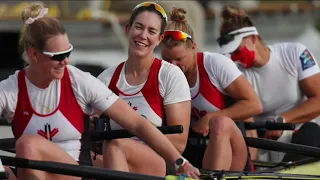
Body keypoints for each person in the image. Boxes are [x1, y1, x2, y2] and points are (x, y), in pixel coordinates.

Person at [0, 2, 200, 180]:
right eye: (57, 55)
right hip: (61, 166)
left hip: (133, 161)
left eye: (68, 53)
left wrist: (180, 162)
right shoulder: (9, 90)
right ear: (34, 55)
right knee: (17, 160)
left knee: (113, 144)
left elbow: (140, 125)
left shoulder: (81, 81)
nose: (66, 61)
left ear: (159, 39)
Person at [95, 2, 194, 177]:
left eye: (151, 31)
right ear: (128, 30)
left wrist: (134, 137)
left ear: (159, 39)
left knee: (114, 144)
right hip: (113, 159)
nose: (143, 35)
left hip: (158, 161)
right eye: (138, 27)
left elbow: (179, 143)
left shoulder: (169, 75)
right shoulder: (106, 79)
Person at [160, 7, 263, 171]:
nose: (173, 66)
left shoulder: (215, 64)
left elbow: (254, 105)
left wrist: (210, 118)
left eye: (179, 59)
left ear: (193, 47)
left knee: (220, 122)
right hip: (190, 155)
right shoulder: (161, 73)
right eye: (167, 59)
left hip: (232, 153)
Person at [217, 5, 320, 163]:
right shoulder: (236, 73)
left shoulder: (296, 53)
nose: (234, 58)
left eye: (237, 51)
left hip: (300, 130)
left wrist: (282, 121)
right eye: (231, 54)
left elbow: (318, 100)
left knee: (313, 132)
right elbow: (247, 122)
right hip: (263, 138)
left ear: (253, 38)